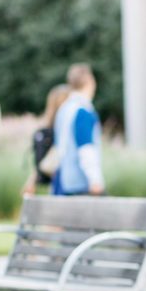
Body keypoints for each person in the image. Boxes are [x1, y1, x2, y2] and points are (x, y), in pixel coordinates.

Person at [52, 63, 105, 197]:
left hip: (64, 179)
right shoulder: (82, 111)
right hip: (80, 183)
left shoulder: (63, 109)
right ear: (90, 82)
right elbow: (85, 147)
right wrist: (95, 179)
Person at [22, 83, 71, 196]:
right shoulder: (61, 131)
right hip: (62, 183)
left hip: (52, 185)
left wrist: (31, 182)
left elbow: (40, 161)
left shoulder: (44, 132)